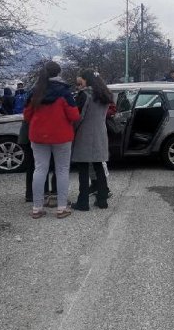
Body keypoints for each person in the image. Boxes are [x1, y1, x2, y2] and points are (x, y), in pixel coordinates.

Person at [24, 61, 80, 219]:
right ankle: (61, 208)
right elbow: (74, 116)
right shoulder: (64, 92)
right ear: (59, 73)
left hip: (38, 136)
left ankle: (37, 208)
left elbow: (27, 115)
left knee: (40, 169)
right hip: (62, 136)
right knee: (62, 170)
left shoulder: (35, 91)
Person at [71, 69, 111, 211]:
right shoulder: (104, 94)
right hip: (100, 133)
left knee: (83, 168)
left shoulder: (85, 94)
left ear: (86, 79)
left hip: (85, 134)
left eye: (81, 79)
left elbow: (78, 117)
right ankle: (102, 200)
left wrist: (72, 130)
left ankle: (83, 202)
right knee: (99, 166)